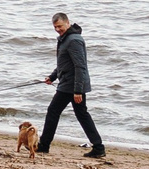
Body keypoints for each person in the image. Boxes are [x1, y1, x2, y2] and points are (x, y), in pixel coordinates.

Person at [34, 12, 105, 158]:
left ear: (67, 23)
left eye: (59, 26)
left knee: (54, 111)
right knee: (81, 114)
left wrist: (78, 91)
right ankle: (98, 147)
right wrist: (52, 77)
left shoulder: (73, 40)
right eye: (55, 27)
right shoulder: (65, 39)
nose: (58, 29)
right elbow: (64, 63)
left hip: (72, 86)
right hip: (68, 84)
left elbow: (80, 66)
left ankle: (44, 146)